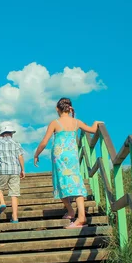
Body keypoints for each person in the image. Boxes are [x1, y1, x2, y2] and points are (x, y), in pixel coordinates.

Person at [33, 97, 102, 228]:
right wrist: (96, 123)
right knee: (76, 181)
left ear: (57, 109)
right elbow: (93, 130)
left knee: (60, 183)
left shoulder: (55, 122)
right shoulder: (76, 122)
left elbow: (44, 141)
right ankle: (79, 215)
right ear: (70, 109)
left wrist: (36, 154)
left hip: (59, 157)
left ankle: (73, 212)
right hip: (72, 156)